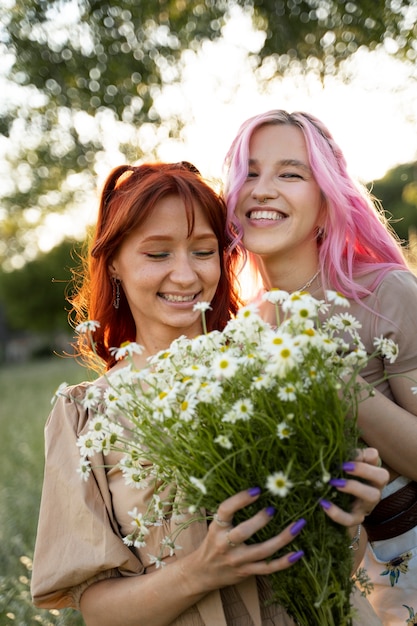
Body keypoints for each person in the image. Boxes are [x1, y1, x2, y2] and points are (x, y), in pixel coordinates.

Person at [31, 161, 387, 626]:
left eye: (203, 251)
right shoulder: (85, 415)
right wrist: (201, 571)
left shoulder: (273, 366)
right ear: (114, 262)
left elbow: (341, 561)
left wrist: (350, 512)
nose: (185, 275)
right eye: (157, 254)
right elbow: (98, 612)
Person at [223, 109, 417, 625]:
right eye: (250, 172)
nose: (262, 189)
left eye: (290, 173)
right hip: (312, 586)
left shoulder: (386, 293)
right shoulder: (241, 333)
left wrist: (327, 377)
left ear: (328, 203)